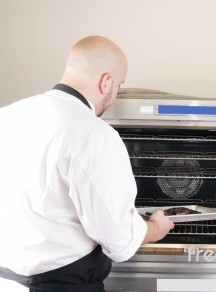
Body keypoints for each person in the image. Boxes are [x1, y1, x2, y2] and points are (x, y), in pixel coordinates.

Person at [0, 35, 174, 292]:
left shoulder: (8, 115)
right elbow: (119, 238)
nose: (115, 94)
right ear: (106, 82)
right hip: (61, 287)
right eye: (119, 85)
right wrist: (155, 227)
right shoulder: (93, 134)